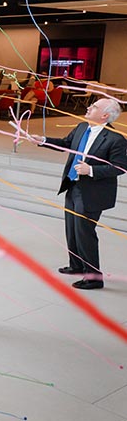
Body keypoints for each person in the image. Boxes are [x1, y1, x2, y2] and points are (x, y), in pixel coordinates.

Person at [27, 98, 127, 289]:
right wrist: (43, 141)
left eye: (94, 107)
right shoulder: (82, 127)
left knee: (84, 232)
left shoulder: (116, 139)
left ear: (105, 115)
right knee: (72, 229)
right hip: (73, 185)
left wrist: (91, 170)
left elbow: (120, 167)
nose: (88, 107)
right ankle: (76, 266)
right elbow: (66, 143)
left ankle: (94, 278)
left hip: (92, 192)